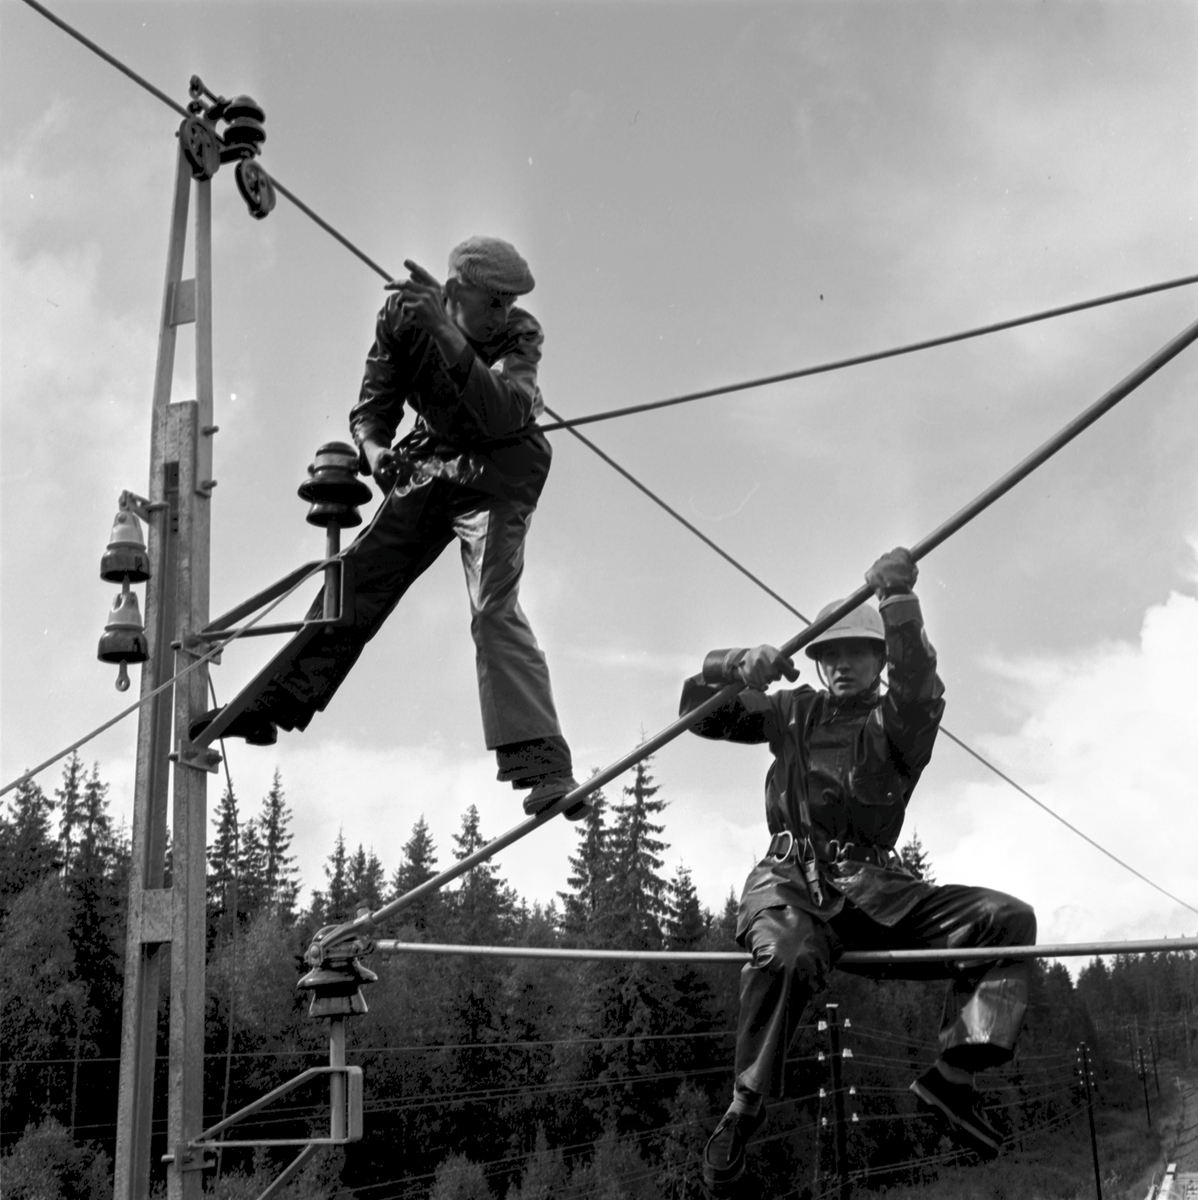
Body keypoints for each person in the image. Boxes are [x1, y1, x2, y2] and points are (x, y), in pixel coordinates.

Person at [679, 548, 1035, 1190]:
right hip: (792, 884)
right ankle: (744, 1105)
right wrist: (734, 666)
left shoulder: (899, 725)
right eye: (831, 655)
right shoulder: (792, 712)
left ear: (880, 661)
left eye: (858, 654)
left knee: (1005, 920)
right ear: (818, 663)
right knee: (787, 953)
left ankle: (953, 1078)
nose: (842, 665)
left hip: (878, 893)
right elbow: (697, 716)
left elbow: (919, 688)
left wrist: (899, 604)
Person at [193, 236, 585, 818]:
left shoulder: (521, 336)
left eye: (510, 302)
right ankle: (269, 706)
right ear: (457, 290)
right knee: (357, 577)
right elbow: (373, 407)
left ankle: (545, 765)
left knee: (492, 607)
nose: (504, 314)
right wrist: (376, 452)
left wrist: (450, 335)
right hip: (434, 461)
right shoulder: (402, 318)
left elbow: (503, 413)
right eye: (493, 301)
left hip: (502, 469)